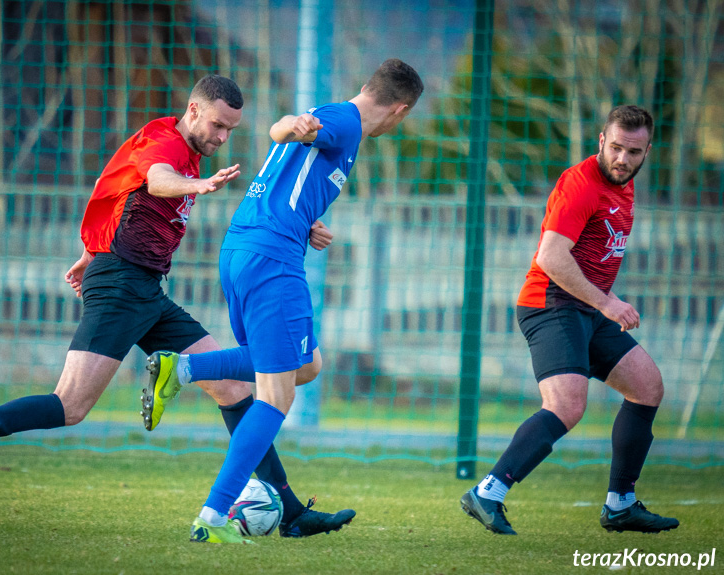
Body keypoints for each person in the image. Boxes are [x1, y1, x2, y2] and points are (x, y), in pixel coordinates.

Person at [0, 75, 355, 538]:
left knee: (234, 389)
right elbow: (157, 181)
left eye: (231, 131)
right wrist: (193, 187)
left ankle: (290, 510)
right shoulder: (165, 141)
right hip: (121, 286)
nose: (222, 137)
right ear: (194, 110)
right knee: (70, 405)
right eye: (218, 125)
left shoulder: (178, 146)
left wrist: (90, 250)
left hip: (143, 289)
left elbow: (113, 187)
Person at [144, 59, 424, 543]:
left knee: (307, 364)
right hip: (271, 259)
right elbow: (285, 131)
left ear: (365, 85)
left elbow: (290, 176)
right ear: (400, 110)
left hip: (249, 248)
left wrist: (306, 221)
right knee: (278, 394)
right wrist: (289, 125)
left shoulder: (339, 121)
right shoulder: (344, 122)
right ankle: (212, 519)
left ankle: (183, 369)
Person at [460, 105, 679, 535]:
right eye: (615, 147)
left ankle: (621, 505)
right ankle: (488, 491)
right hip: (551, 304)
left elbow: (591, 257)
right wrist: (608, 304)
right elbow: (551, 256)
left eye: (633, 152)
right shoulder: (580, 184)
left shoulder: (624, 187)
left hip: (586, 307)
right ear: (601, 140)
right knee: (566, 405)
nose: (622, 159)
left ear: (647, 151)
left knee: (647, 386)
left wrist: (607, 299)